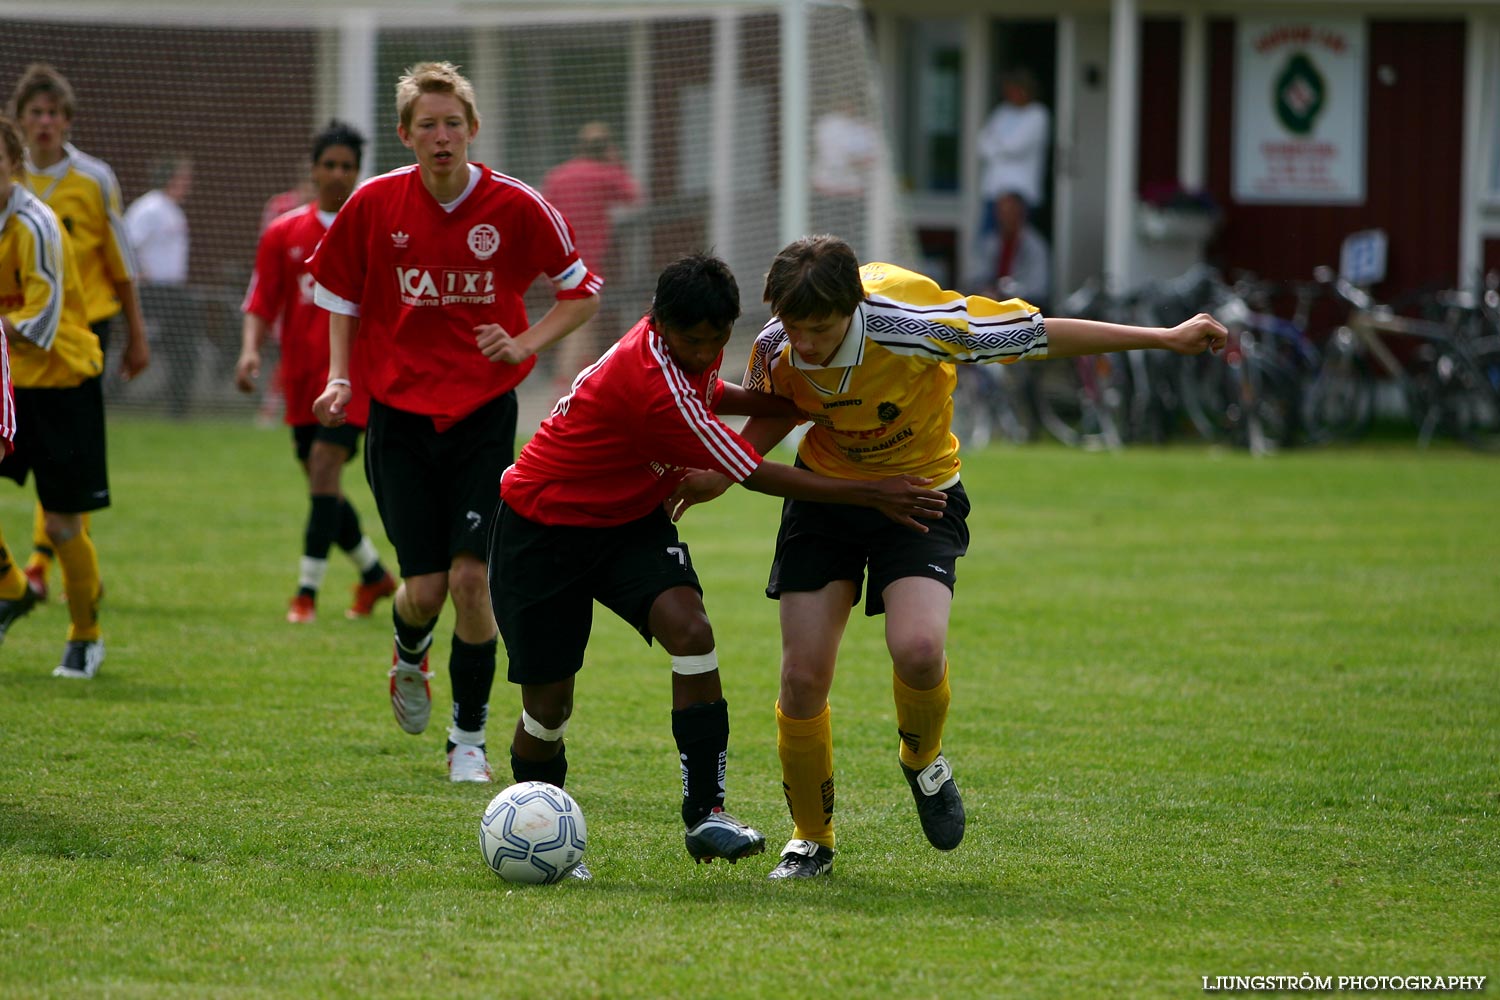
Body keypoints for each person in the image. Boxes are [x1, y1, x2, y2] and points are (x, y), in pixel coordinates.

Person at [669, 235, 1227, 878]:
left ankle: (922, 759)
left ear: (853, 308)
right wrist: (723, 468)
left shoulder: (915, 326)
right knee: (800, 680)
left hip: (919, 498)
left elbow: (1040, 335)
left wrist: (1164, 337)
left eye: (820, 329)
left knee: (918, 650)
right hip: (831, 500)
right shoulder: (777, 345)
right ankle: (811, 840)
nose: (807, 343)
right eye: (794, 327)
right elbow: (777, 411)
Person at [494, 253, 946, 877]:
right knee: (548, 709)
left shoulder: (684, 355)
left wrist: (798, 405)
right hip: (542, 530)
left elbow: (717, 391)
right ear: (658, 324)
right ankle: (546, 835)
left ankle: (707, 812)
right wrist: (872, 490)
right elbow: (753, 473)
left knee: (693, 631)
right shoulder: (652, 384)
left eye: (718, 339)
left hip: (628, 524)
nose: (706, 353)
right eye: (691, 341)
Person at [309, 61, 602, 783]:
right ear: (406, 135)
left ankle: (467, 739)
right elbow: (338, 292)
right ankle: (409, 652)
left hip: (480, 416)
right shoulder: (376, 205)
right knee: (427, 590)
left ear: (473, 129)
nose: (442, 137)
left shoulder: (515, 205)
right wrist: (339, 376)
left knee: (473, 580)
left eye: (453, 123)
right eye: (427, 126)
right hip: (400, 420)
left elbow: (582, 293)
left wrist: (527, 342)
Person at [237, 120, 397, 624]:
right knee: (320, 484)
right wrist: (250, 352)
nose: (337, 174)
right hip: (302, 379)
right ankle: (375, 577)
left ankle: (305, 593)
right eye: (329, 164)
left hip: (355, 378)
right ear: (313, 169)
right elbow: (261, 301)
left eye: (347, 166)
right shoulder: (284, 233)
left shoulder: (375, 233)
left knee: (325, 470)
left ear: (358, 172)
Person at [11, 63, 151, 601]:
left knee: (64, 457)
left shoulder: (94, 178)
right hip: (18, 331)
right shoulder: (10, 179)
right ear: (19, 122)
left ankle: (51, 563)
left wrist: (137, 334)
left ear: (68, 121)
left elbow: (120, 263)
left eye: (54, 113)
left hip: (82, 330)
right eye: (35, 113)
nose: (45, 122)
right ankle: (47, 563)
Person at [0, 115, 112, 678]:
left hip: (61, 383)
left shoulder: (36, 224)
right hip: (7, 382)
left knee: (65, 523)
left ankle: (86, 635)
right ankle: (13, 586)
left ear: (14, 166)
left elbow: (41, 318)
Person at [540, 121, 640, 393]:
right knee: (579, 324)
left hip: (557, 260)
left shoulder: (558, 175)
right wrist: (615, 162)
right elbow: (634, 195)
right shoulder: (605, 175)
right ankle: (563, 388)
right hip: (586, 264)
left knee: (585, 323)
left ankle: (592, 381)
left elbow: (544, 211)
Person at [125, 154, 194, 417]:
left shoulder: (172, 209)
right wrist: (140, 273)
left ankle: (178, 407)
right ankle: (115, 392)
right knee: (147, 342)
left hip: (174, 290)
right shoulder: (150, 207)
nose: (187, 183)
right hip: (154, 291)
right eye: (183, 177)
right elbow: (129, 242)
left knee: (184, 348)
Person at [976, 67, 1050, 226]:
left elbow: (1014, 147)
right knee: (989, 243)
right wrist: (999, 146)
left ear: (1026, 90)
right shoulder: (1002, 112)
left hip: (1020, 193)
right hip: (994, 190)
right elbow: (982, 144)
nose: (1010, 95)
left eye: (1015, 90)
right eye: (1008, 90)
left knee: (1017, 245)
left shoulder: (1037, 115)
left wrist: (995, 144)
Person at [810, 99, 881, 247]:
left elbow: (871, 156)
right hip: (828, 190)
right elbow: (833, 156)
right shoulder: (828, 125)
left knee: (851, 233)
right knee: (825, 233)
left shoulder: (864, 128)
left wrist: (854, 159)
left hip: (853, 192)